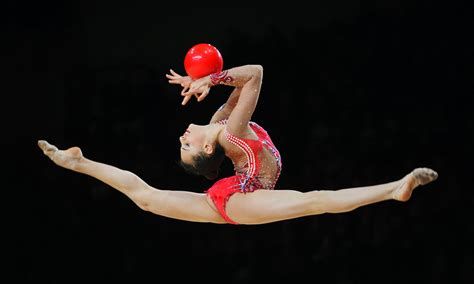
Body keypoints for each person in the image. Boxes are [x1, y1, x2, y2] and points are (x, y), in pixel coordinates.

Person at [38, 64, 438, 225]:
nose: (182, 136)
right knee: (314, 200)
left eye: (182, 142)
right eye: (186, 145)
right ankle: (393, 189)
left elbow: (243, 78)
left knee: (145, 197)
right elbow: (255, 77)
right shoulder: (231, 132)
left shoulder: (220, 125)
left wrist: (205, 77)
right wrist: (211, 81)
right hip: (243, 194)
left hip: (233, 195)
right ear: (207, 152)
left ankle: (78, 162)